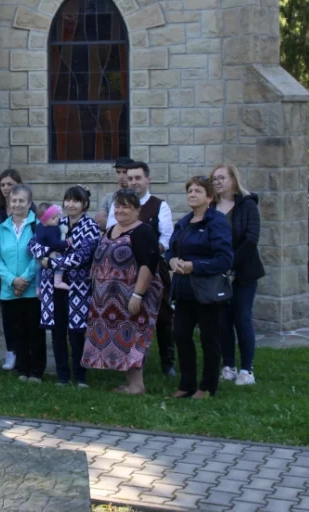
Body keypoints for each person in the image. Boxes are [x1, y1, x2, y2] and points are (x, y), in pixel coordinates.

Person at [82, 189, 163, 395]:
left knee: (134, 337)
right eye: (117, 206)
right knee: (121, 340)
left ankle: (137, 385)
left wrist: (138, 294)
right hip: (108, 300)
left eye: (126, 206)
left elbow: (148, 264)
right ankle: (131, 383)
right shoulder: (110, 230)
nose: (120, 210)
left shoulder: (143, 231)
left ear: (137, 210)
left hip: (132, 297)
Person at [165, 177, 234, 399]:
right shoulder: (184, 222)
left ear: (210, 197)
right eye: (190, 191)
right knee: (181, 335)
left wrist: (194, 266)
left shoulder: (216, 221)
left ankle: (207, 386)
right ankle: (186, 384)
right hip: (184, 291)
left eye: (198, 191)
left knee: (209, 339)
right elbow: (170, 250)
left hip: (207, 292)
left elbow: (225, 259)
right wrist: (172, 261)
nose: (192, 194)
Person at [108, 161, 176, 377]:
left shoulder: (159, 205)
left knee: (164, 316)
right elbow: (112, 229)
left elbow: (167, 237)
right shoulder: (118, 202)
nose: (134, 182)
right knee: (126, 315)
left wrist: (146, 249)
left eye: (138, 178)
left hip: (153, 268)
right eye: (130, 178)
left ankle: (168, 363)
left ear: (147, 179)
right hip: (121, 273)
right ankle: (128, 361)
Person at [29, 186, 101, 387]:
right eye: (67, 200)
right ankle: (62, 375)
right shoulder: (55, 221)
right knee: (57, 331)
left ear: (84, 204)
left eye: (75, 201)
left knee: (77, 331)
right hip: (52, 287)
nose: (70, 205)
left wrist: (51, 262)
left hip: (77, 286)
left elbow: (82, 256)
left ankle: (80, 376)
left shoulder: (90, 226)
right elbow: (32, 244)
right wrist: (47, 253)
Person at [211, 163, 264, 386]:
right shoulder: (210, 206)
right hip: (217, 275)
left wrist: (230, 264)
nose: (217, 182)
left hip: (243, 273)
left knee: (242, 318)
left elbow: (251, 238)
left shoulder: (247, 204)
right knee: (223, 321)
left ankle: (247, 369)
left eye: (221, 177)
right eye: (214, 178)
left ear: (233, 179)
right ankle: (228, 366)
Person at [0, 184, 43, 381]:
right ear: (8, 203)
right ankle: (22, 369)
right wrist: (12, 280)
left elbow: (39, 256)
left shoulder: (37, 226)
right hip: (9, 290)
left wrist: (25, 279)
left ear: (29, 203)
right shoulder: (2, 228)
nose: (17, 204)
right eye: (14, 201)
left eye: (22, 200)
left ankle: (36, 372)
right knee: (17, 332)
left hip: (31, 290)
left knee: (34, 332)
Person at [0, 169, 26, 371]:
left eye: (10, 184)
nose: (6, 188)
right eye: (3, 184)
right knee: (8, 315)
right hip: (3, 272)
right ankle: (11, 352)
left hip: (23, 272)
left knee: (24, 314)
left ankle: (25, 352)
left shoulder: (27, 208)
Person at [34, 205, 69, 291]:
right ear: (44, 220)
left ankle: (38, 288)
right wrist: (67, 242)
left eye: (57, 216)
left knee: (38, 271)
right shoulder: (52, 229)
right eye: (53, 218)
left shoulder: (39, 226)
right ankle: (58, 281)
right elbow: (55, 243)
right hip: (50, 254)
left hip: (39, 256)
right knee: (61, 261)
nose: (57, 219)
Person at [95, 157, 133, 230]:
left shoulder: (137, 196)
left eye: (125, 172)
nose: (121, 176)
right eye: (118, 172)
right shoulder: (108, 197)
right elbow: (101, 222)